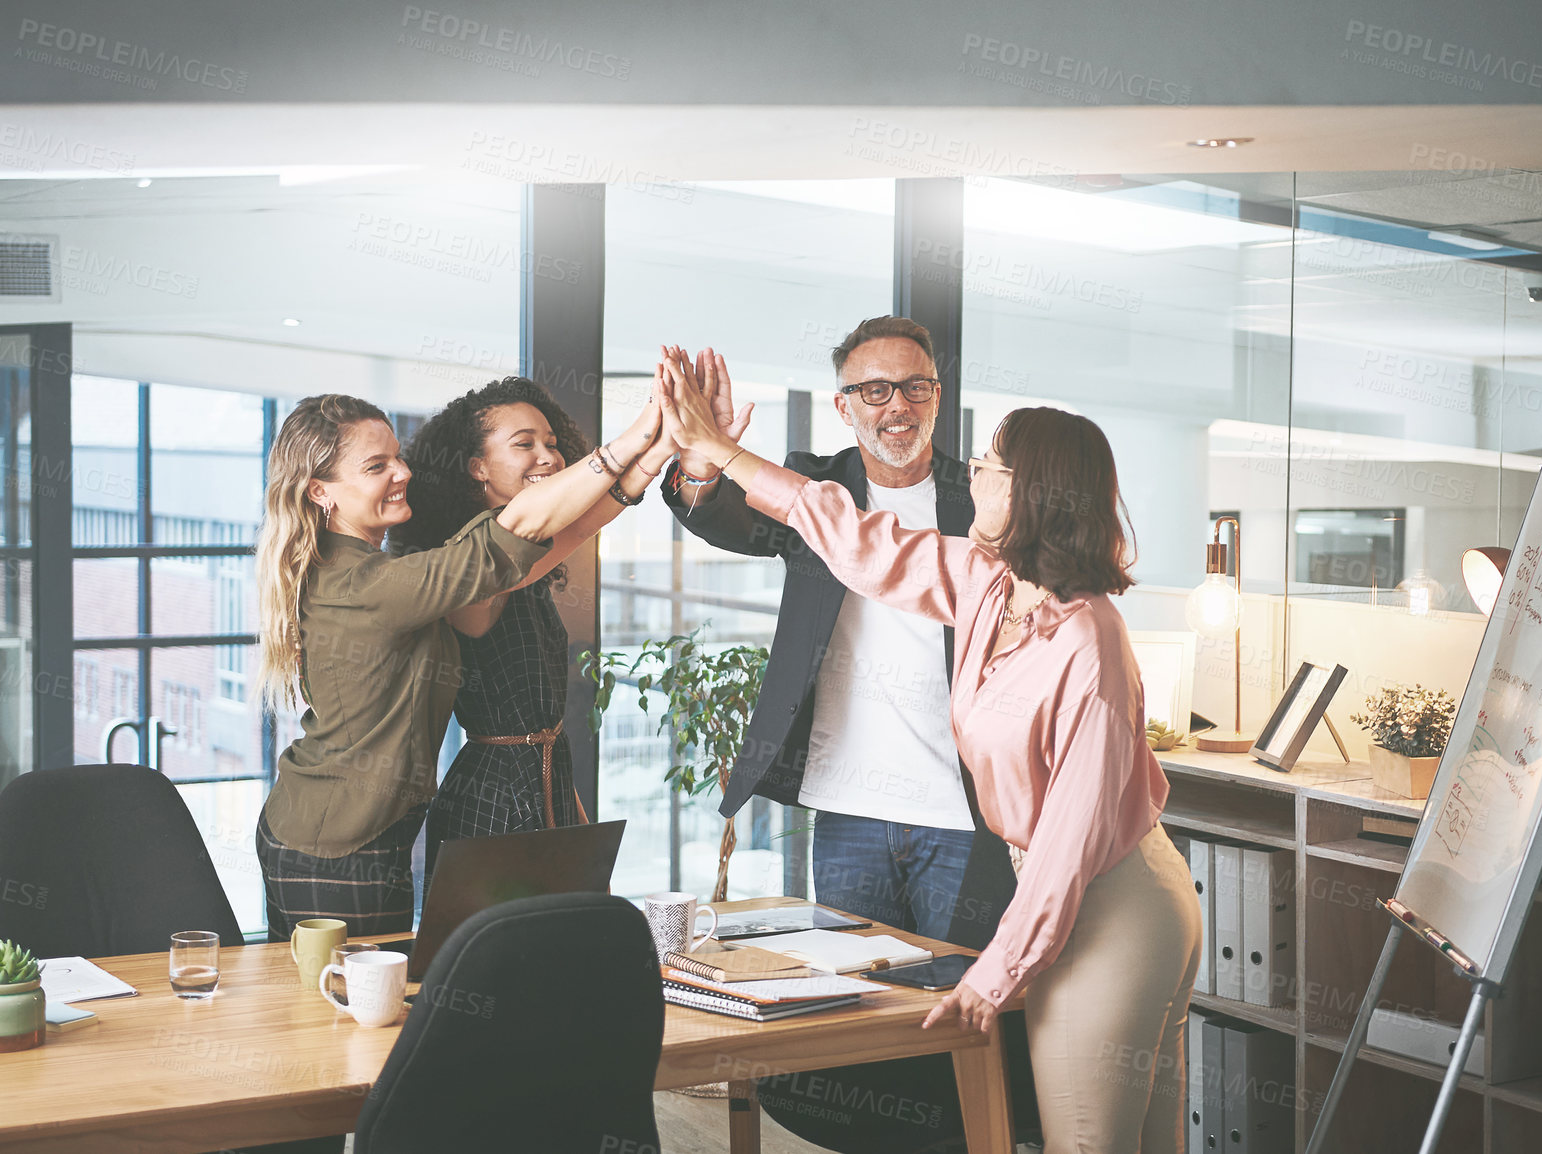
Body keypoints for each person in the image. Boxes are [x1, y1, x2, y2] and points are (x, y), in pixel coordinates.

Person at [658, 362, 1202, 1154]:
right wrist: (719, 452)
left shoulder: (1090, 642)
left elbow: (1066, 848)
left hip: (1116, 905)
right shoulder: (989, 583)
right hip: (1071, 895)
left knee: (1085, 1145)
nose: (972, 471)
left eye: (989, 463)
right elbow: (850, 536)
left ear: (1030, 490)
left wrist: (992, 974)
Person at [662, 319, 1015, 948]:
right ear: (843, 406)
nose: (898, 406)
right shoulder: (812, 487)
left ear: (937, 396)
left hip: (962, 809)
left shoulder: (984, 498)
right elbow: (725, 521)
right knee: (856, 999)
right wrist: (700, 460)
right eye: (874, 391)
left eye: (915, 387)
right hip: (850, 804)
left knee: (960, 1001)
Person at [254, 392, 650, 941]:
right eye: (376, 466)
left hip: (360, 831)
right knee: (345, 1015)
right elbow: (502, 543)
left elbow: (549, 544)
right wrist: (637, 438)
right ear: (320, 491)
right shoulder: (366, 585)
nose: (402, 473)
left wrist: (654, 458)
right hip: (336, 844)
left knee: (358, 1008)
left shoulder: (374, 569)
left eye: (397, 457)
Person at [392, 378, 674, 873]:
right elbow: (571, 525)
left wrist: (666, 445)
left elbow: (581, 523)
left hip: (545, 782)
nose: (548, 456)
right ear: (476, 467)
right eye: (524, 444)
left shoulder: (524, 563)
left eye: (551, 443)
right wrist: (641, 436)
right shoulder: (465, 567)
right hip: (491, 801)